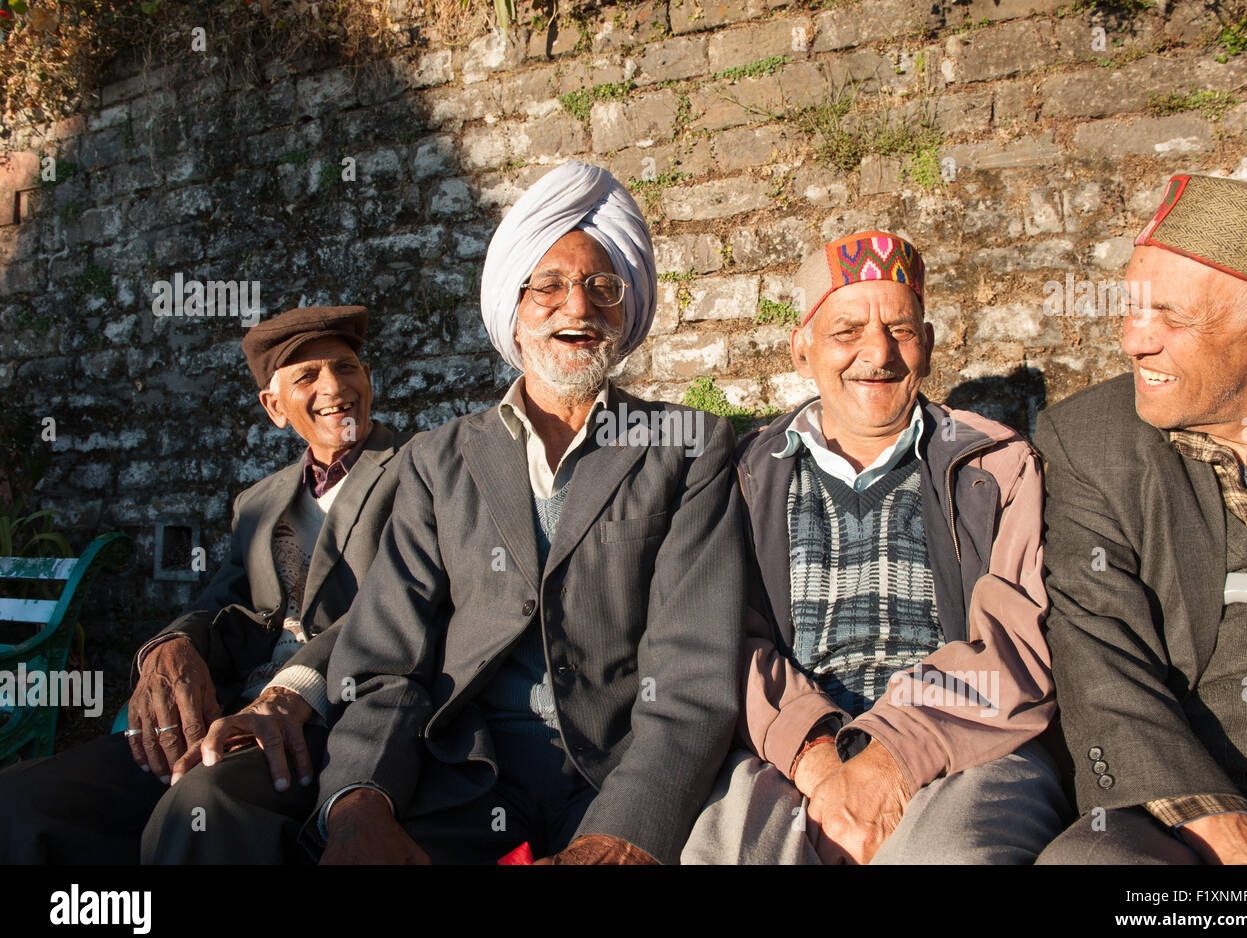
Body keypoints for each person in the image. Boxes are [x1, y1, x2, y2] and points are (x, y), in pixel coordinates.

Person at [311, 161, 746, 865]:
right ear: (513, 309)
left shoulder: (687, 450)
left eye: (602, 288)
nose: (577, 308)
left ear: (625, 312)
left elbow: (693, 675)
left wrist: (623, 835)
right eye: (548, 285)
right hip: (460, 779)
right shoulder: (437, 460)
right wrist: (360, 799)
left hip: (616, 782)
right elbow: (385, 662)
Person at [683, 230, 1067, 864]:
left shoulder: (998, 467)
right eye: (846, 332)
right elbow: (726, 639)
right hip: (791, 753)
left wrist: (891, 757)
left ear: (931, 345)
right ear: (801, 350)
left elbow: (1015, 648)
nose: (878, 353)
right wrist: (819, 760)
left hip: (966, 748)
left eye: (902, 329)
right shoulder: (744, 475)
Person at [0, 305, 410, 864]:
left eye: (346, 367)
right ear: (274, 407)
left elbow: (398, 601)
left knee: (201, 803)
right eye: (307, 376)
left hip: (338, 711)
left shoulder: (420, 470)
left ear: (368, 378)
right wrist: (172, 645)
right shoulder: (258, 502)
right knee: (25, 798)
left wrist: (290, 691)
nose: (334, 387)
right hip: (234, 710)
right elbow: (224, 603)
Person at [1036, 174, 1247, 864]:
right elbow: (1101, 662)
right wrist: (1233, 838)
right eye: (1130, 310)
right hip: (1185, 807)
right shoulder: (1089, 443)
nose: (1133, 341)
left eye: (1171, 319)